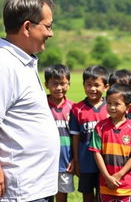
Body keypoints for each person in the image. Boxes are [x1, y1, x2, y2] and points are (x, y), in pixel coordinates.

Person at [0, 0, 59, 201]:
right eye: (48, 26)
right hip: (20, 190)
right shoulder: (4, 64)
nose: (51, 33)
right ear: (27, 27)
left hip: (36, 186)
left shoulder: (23, 60)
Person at [89, 83, 131, 202]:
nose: (112, 107)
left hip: (124, 183)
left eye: (117, 104)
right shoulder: (100, 127)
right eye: (109, 103)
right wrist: (107, 177)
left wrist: (119, 175)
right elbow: (96, 153)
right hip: (105, 183)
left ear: (129, 107)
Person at [69, 65, 109, 202]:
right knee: (87, 194)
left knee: (104, 194)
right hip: (85, 161)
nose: (92, 89)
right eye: (88, 84)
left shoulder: (112, 107)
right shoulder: (77, 109)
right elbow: (75, 137)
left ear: (106, 87)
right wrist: (76, 160)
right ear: (83, 85)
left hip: (107, 161)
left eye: (97, 85)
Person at [44, 64, 74, 202]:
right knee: (43, 197)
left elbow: (75, 137)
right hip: (43, 162)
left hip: (65, 163)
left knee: (62, 197)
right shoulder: (40, 105)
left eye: (62, 83)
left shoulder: (73, 108)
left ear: (69, 84)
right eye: (54, 84)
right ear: (46, 85)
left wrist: (74, 159)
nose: (59, 88)